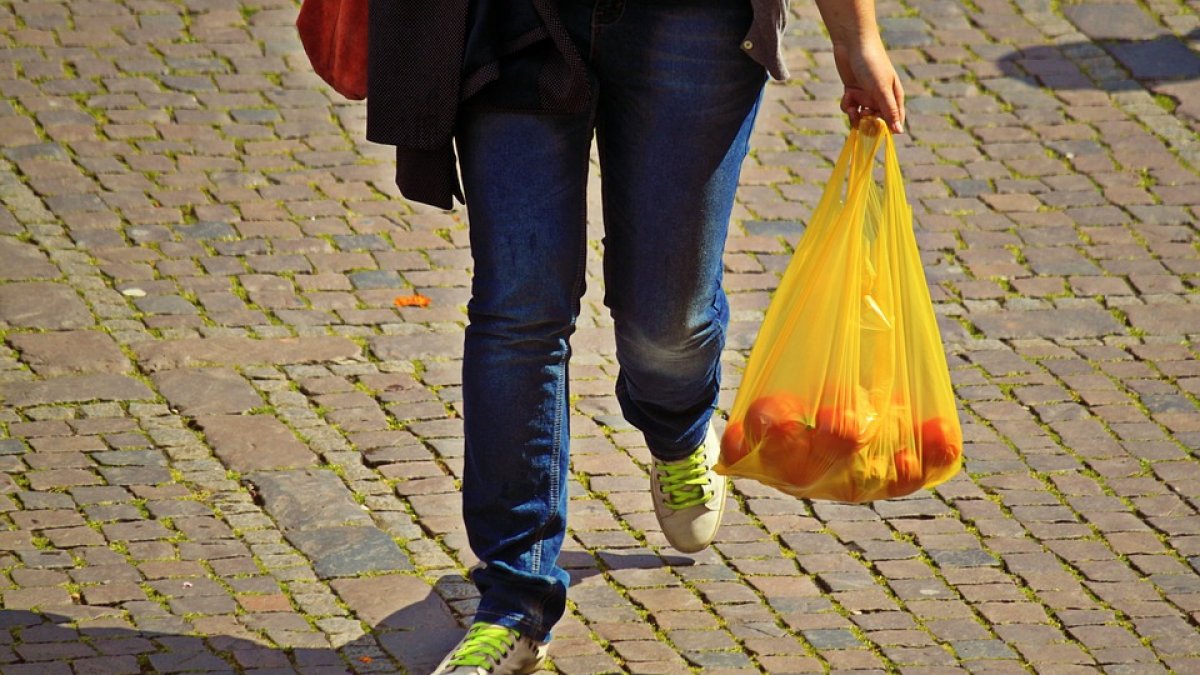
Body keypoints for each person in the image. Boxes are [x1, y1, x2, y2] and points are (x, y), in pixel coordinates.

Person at [363, 0, 905, 672]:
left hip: (693, 22)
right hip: (514, 16)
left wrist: (858, 36)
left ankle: (678, 426)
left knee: (666, 321)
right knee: (518, 306)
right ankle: (514, 602)